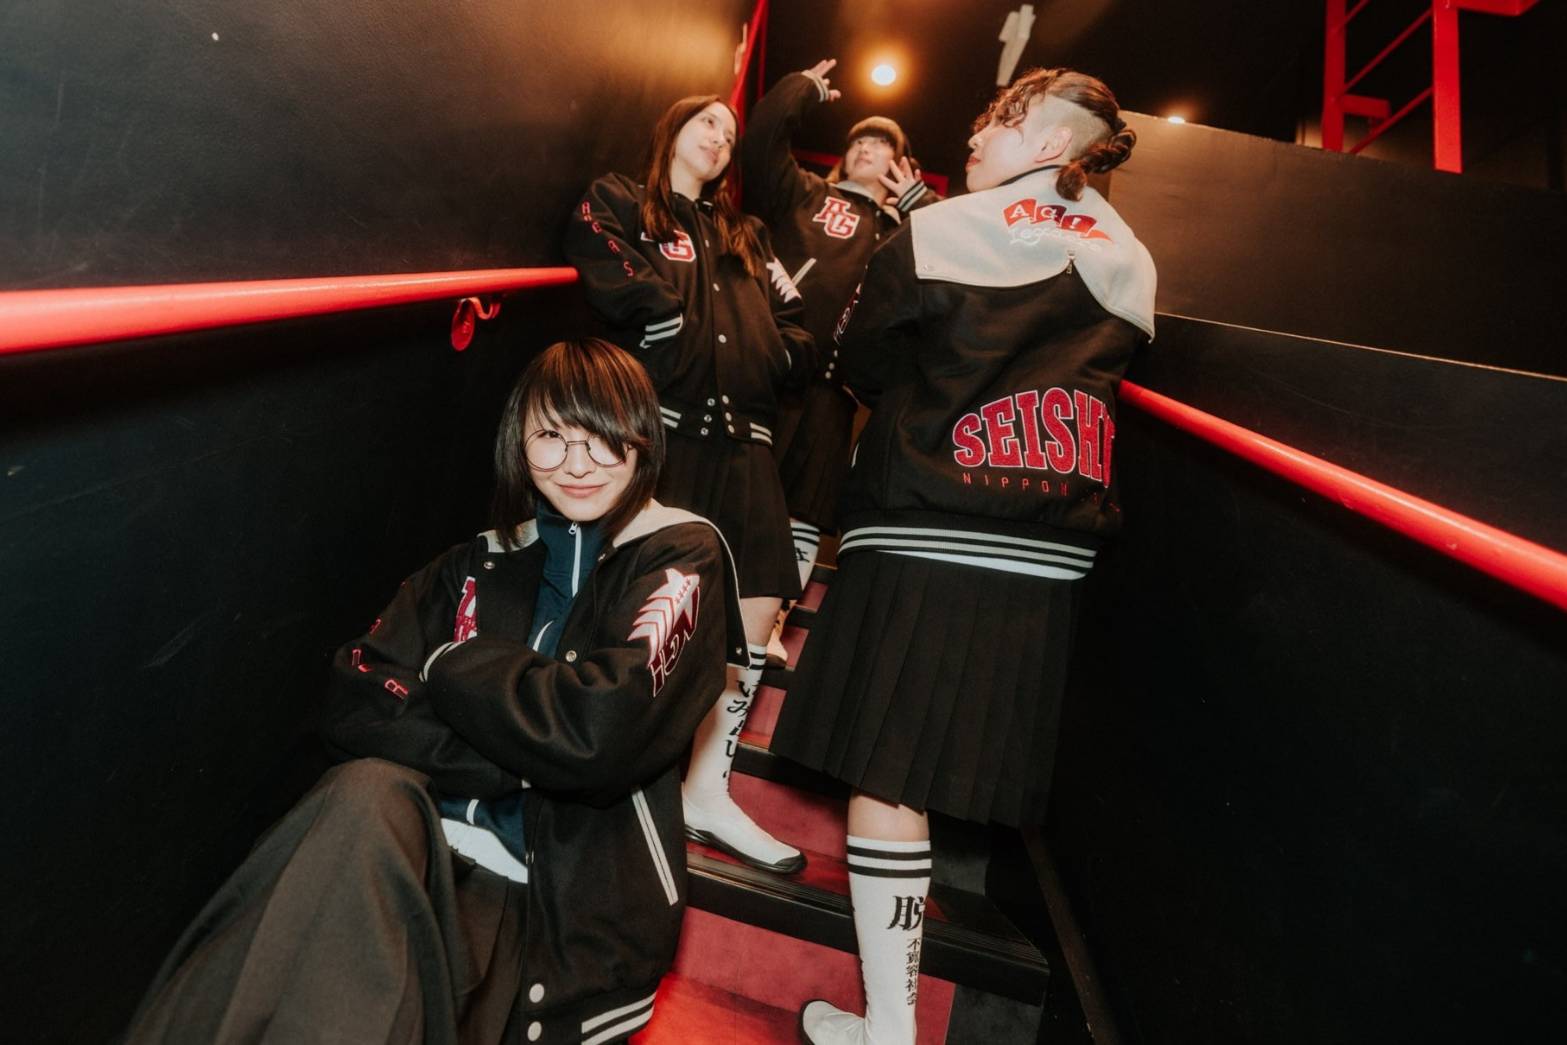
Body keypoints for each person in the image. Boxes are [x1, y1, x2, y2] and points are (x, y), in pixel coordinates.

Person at [124, 339, 746, 1045]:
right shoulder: (474, 562)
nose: (576, 464)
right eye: (551, 437)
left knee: (328, 944)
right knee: (362, 795)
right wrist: (518, 762)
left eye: (601, 438)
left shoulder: (677, 554)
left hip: (548, 904)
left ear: (641, 439)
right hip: (415, 854)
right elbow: (355, 695)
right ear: (518, 445)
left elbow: (597, 731)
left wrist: (452, 664)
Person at [770, 68, 1157, 1044]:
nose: (974, 140)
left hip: (928, 527)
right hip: (1053, 548)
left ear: (1044, 140)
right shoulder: (1131, 256)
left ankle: (890, 1027)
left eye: (995, 123)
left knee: (888, 776)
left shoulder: (938, 231)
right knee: (942, 773)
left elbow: (860, 365)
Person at [564, 96, 812, 875]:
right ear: (671, 127)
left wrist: (775, 355)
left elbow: (797, 322)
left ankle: (707, 788)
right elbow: (593, 243)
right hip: (662, 433)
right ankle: (595, 777)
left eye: (730, 134)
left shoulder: (747, 234)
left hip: (747, 444)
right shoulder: (622, 199)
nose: (720, 138)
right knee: (631, 603)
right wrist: (661, 316)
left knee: (757, 607)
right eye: (708, 122)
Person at [740, 59, 940, 654]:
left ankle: (769, 626)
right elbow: (761, 140)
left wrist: (919, 206)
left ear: (903, 164)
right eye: (858, 140)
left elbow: (952, 286)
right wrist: (801, 89)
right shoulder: (807, 192)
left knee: (805, 512)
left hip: (838, 394)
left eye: (883, 143)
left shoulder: (909, 232)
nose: (867, 147)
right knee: (742, 493)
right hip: (771, 368)